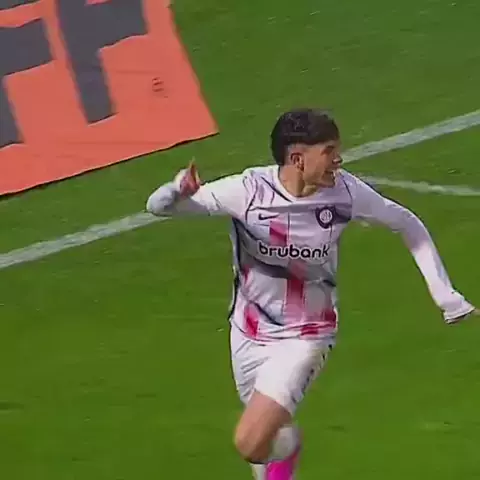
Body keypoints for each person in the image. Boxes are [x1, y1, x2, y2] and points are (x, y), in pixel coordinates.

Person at [145, 108, 477, 480]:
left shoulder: (345, 194)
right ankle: (284, 447)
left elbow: (407, 223)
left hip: (307, 335)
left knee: (250, 442)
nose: (338, 160)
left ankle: (290, 447)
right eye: (329, 150)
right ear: (297, 158)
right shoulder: (249, 191)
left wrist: (445, 294)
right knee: (266, 440)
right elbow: (158, 208)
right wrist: (177, 189)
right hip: (248, 333)